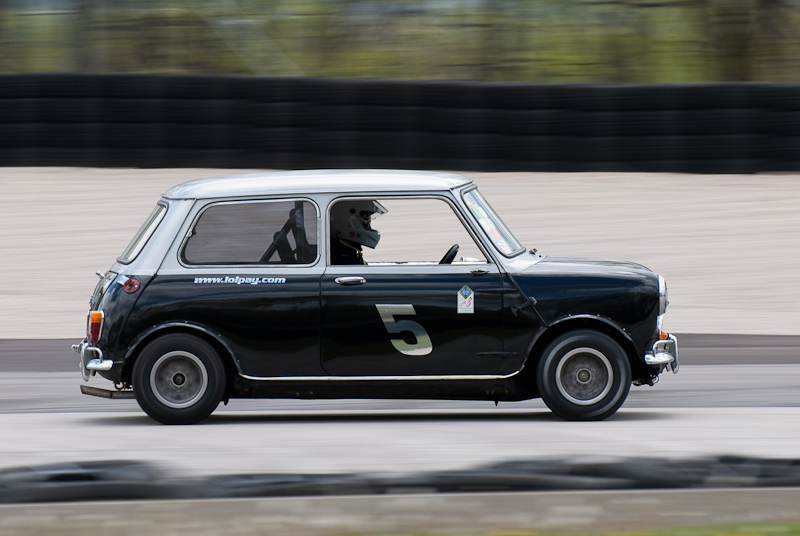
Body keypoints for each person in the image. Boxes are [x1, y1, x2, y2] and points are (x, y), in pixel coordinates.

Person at [329, 199, 387, 265]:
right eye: (366, 217)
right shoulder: (345, 260)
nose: (369, 227)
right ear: (347, 220)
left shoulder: (346, 251)